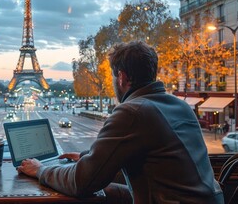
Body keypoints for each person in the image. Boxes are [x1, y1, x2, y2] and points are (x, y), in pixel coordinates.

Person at [17, 41, 224, 203]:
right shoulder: (179, 105)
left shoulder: (132, 112)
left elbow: (82, 182)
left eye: (114, 76)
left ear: (122, 77)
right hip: (205, 199)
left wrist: (40, 170)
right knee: (106, 191)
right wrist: (85, 157)